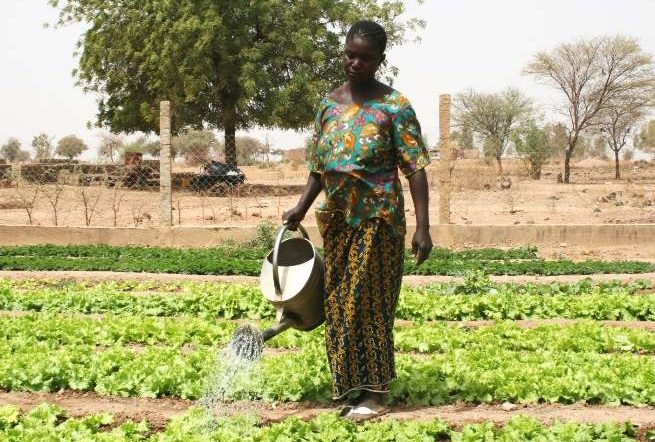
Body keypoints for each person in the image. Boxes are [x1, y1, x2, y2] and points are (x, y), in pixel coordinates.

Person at [282, 20, 432, 422]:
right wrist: (300, 207)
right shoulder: (329, 104)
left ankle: (376, 392)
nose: (355, 63)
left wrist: (423, 226)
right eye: (350, 54)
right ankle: (350, 386)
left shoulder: (394, 106)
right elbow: (319, 166)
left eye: (365, 58)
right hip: (336, 221)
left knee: (367, 302)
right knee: (337, 300)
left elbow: (415, 168)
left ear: (379, 60)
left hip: (379, 220)